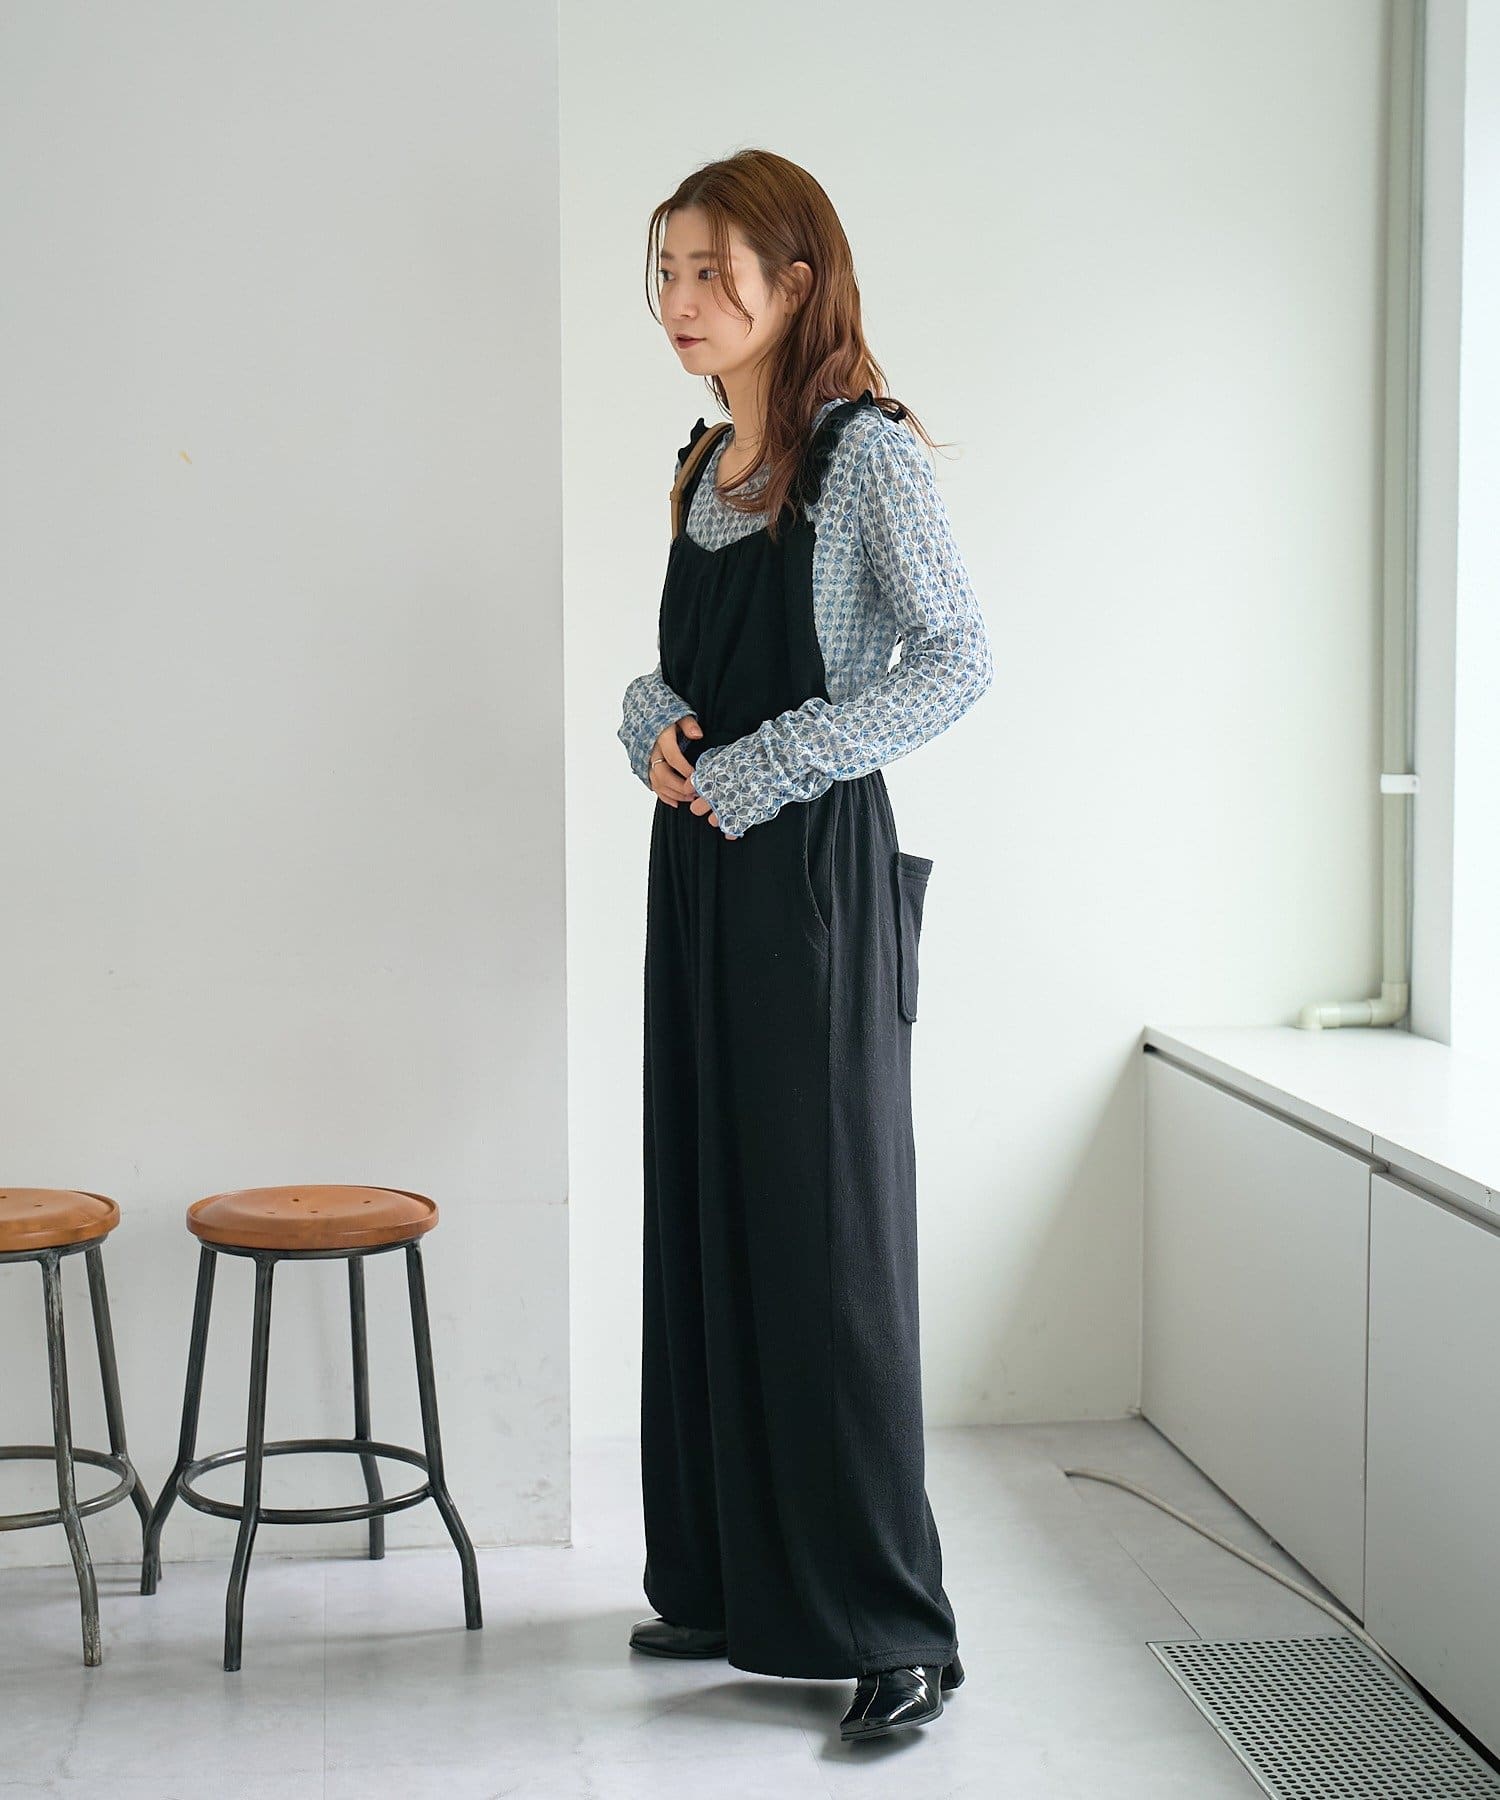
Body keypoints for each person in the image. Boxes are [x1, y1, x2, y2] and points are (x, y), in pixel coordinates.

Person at [616, 149, 993, 1744]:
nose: (680, 300)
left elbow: (956, 658)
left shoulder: (865, 457)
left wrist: (768, 767)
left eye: (710, 271)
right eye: (666, 270)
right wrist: (651, 724)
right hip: (698, 872)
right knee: (710, 1203)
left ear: (794, 281)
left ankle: (894, 1630)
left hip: (814, 884)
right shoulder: (704, 462)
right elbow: (673, 675)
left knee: (830, 1246)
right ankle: (723, 1580)